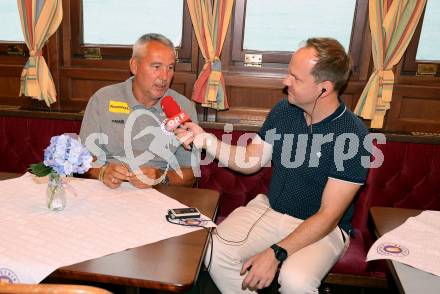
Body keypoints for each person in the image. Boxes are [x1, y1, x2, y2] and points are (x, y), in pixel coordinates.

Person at [175, 38, 370, 293]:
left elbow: (328, 216)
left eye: (295, 78)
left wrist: (276, 253)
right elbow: (251, 160)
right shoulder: (284, 111)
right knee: (212, 251)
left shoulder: (353, 135)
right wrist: (205, 140)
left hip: (323, 228)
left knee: (295, 280)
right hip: (272, 210)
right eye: (288, 73)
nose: (285, 81)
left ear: (324, 88)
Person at [80, 33, 197, 189]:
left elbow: (191, 173)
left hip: (158, 192)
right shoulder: (102, 99)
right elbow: (81, 160)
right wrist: (102, 172)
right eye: (156, 67)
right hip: (107, 190)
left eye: (170, 68)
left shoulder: (183, 107)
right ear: (134, 66)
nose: (164, 77)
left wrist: (160, 176)